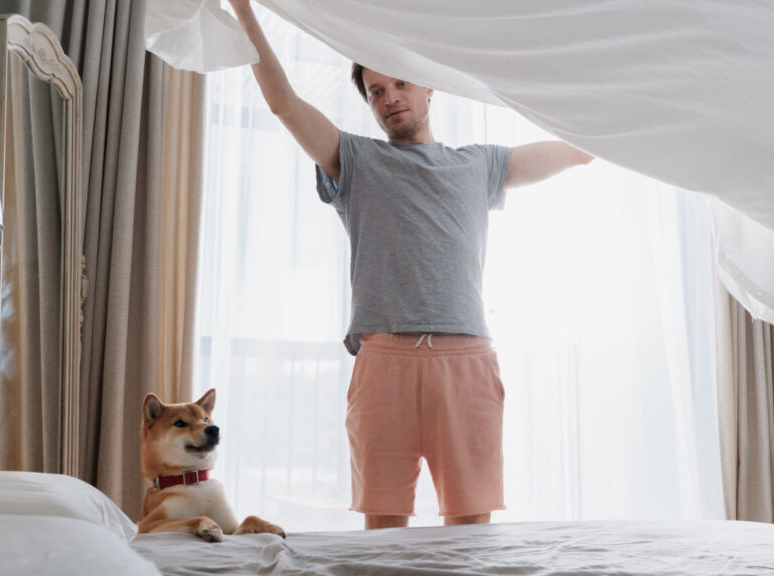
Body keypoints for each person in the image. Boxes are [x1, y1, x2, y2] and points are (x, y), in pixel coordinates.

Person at [228, 0, 594, 530]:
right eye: (376, 91)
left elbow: (578, 150)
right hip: (384, 362)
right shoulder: (354, 159)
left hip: (465, 361)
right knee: (383, 536)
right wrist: (243, 11)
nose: (389, 98)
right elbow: (284, 104)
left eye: (400, 84)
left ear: (429, 89)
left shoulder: (480, 164)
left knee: (470, 535)